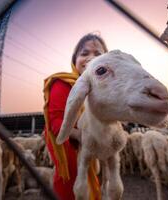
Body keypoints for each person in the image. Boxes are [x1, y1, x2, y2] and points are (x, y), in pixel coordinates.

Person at [43, 33, 108, 200]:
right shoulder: (63, 83)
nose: (90, 58)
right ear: (75, 59)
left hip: (92, 147)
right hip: (68, 146)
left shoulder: (103, 90)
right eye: (84, 53)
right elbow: (55, 122)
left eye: (98, 54)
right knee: (72, 184)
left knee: (93, 179)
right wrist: (81, 136)